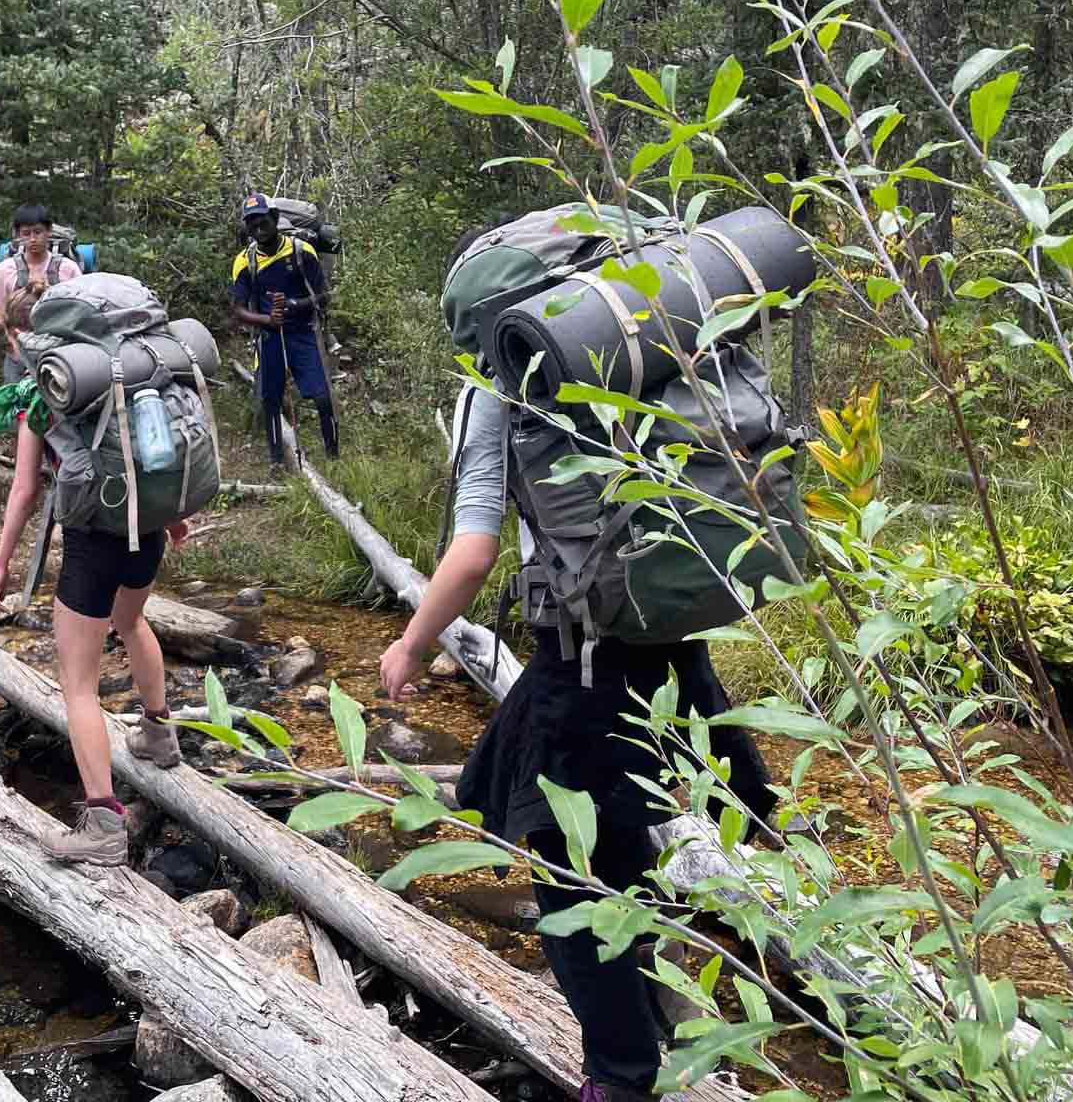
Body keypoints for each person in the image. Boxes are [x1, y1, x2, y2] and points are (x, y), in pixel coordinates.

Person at [376, 242, 778, 1102]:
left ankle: (621, 1076)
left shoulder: (503, 388)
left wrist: (411, 643)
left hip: (584, 661)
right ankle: (651, 1021)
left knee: (566, 887)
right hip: (669, 648)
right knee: (622, 842)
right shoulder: (654, 357)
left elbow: (475, 549)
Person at [0, 378, 190, 865]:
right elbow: (152, 451)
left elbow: (26, 489)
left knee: (79, 686)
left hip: (93, 540)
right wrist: (173, 519)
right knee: (132, 621)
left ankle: (103, 825)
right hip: (147, 527)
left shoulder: (42, 391)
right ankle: (159, 736)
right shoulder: (125, 377)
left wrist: (1, 566)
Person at [230, 192, 338, 467]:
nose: (257, 227)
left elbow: (324, 297)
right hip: (268, 337)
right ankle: (276, 461)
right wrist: (267, 321)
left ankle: (334, 456)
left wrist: (292, 305)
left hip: (303, 332)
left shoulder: (302, 252)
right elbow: (239, 310)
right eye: (251, 223)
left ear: (276, 218)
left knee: (323, 397)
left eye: (262, 220)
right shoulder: (244, 262)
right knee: (270, 401)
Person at [0, 205, 80, 383]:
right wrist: (14, 339)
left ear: (49, 231)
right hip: (17, 355)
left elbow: (80, 312)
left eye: (38, 232)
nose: (33, 239)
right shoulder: (5, 270)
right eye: (26, 233)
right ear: (17, 235)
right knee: (16, 406)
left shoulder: (68, 269)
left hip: (61, 357)